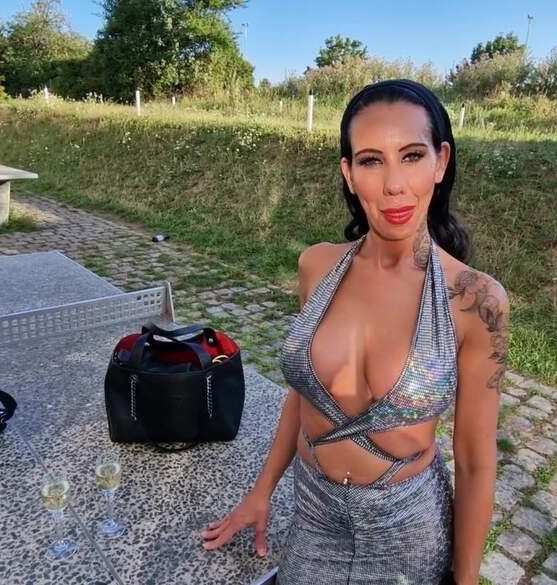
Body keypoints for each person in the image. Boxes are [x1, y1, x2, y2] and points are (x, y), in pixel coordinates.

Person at [200, 79, 508, 585]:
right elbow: (304, 395)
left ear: (441, 161)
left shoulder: (475, 301)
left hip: (406, 527)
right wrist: (261, 491)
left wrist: (467, 579)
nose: (394, 185)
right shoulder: (316, 267)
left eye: (412, 156)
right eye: (371, 161)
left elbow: (475, 461)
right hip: (313, 511)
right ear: (348, 173)